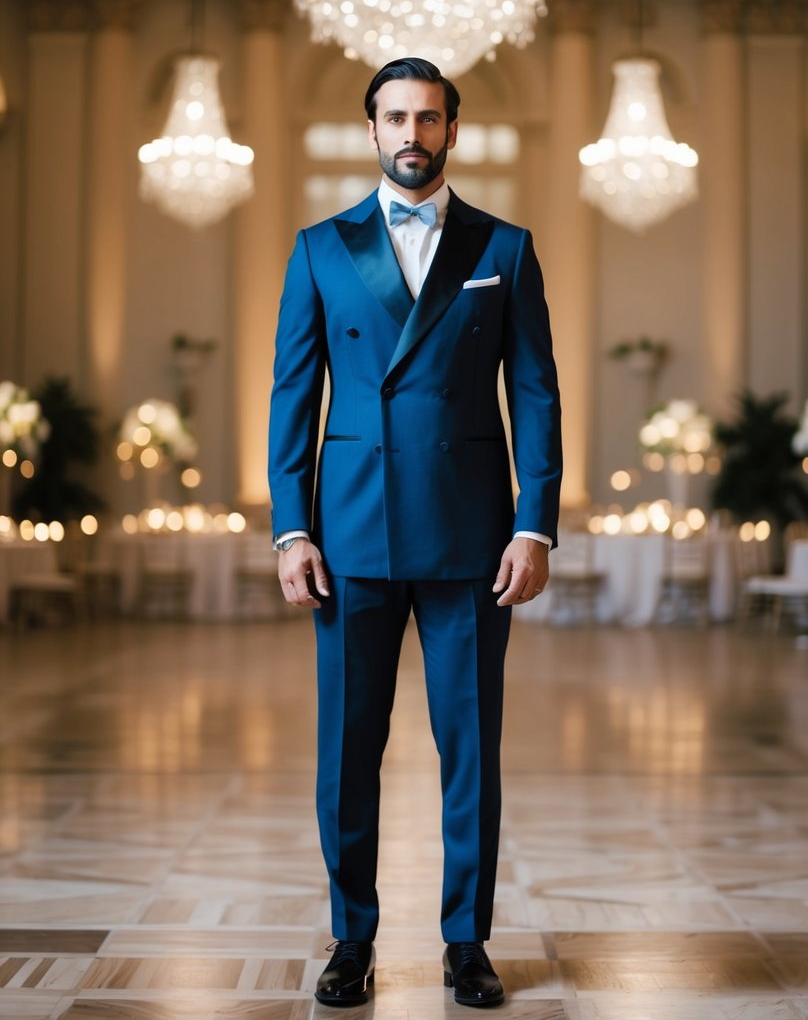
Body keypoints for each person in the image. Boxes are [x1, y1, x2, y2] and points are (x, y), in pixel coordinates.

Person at [268, 57, 562, 1008]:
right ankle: (351, 938)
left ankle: (465, 941)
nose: (410, 133)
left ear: (450, 132)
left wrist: (535, 526)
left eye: (427, 119)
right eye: (393, 117)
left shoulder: (503, 247)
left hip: (471, 538)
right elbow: (290, 398)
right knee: (347, 751)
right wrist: (290, 530)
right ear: (370, 131)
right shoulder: (318, 248)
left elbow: (535, 393)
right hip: (347, 534)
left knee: (469, 746)